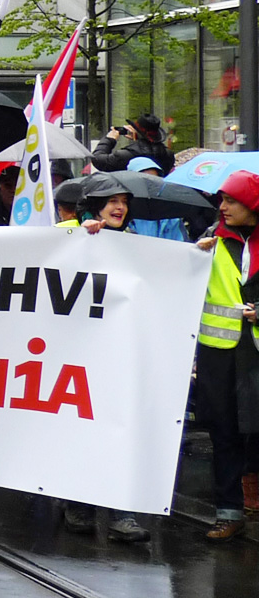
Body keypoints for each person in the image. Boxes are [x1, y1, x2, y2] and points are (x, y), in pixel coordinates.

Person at [56, 173, 151, 543]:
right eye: (112, 200)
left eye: (124, 202)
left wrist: (196, 255)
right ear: (94, 205)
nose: (120, 207)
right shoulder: (68, 236)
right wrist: (81, 240)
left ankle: (121, 513)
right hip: (76, 353)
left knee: (117, 427)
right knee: (79, 426)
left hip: (118, 352)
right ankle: (76, 503)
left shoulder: (134, 244)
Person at [194, 170, 259, 541]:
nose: (222, 207)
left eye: (231, 200)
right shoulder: (210, 243)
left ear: (252, 205)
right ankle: (229, 513)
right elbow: (165, 271)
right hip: (220, 355)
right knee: (225, 433)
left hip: (254, 355)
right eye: (222, 200)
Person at [124, 157, 188, 241]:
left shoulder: (171, 216)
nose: (148, 185)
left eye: (153, 180)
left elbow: (182, 243)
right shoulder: (124, 212)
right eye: (143, 180)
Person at [91, 113, 175, 175]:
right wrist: (138, 139)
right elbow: (149, 149)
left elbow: (97, 159)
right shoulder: (168, 155)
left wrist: (109, 139)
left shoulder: (125, 155)